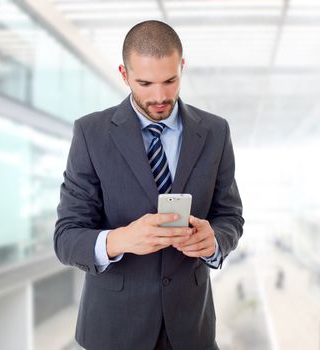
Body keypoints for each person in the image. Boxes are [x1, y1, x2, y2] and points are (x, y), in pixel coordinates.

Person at [54, 20, 244, 350]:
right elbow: (66, 236)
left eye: (170, 80)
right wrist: (120, 239)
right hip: (113, 332)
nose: (159, 96)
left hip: (191, 330)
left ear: (182, 67)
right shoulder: (91, 134)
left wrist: (214, 242)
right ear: (124, 74)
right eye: (145, 83)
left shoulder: (215, 132)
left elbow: (230, 217)